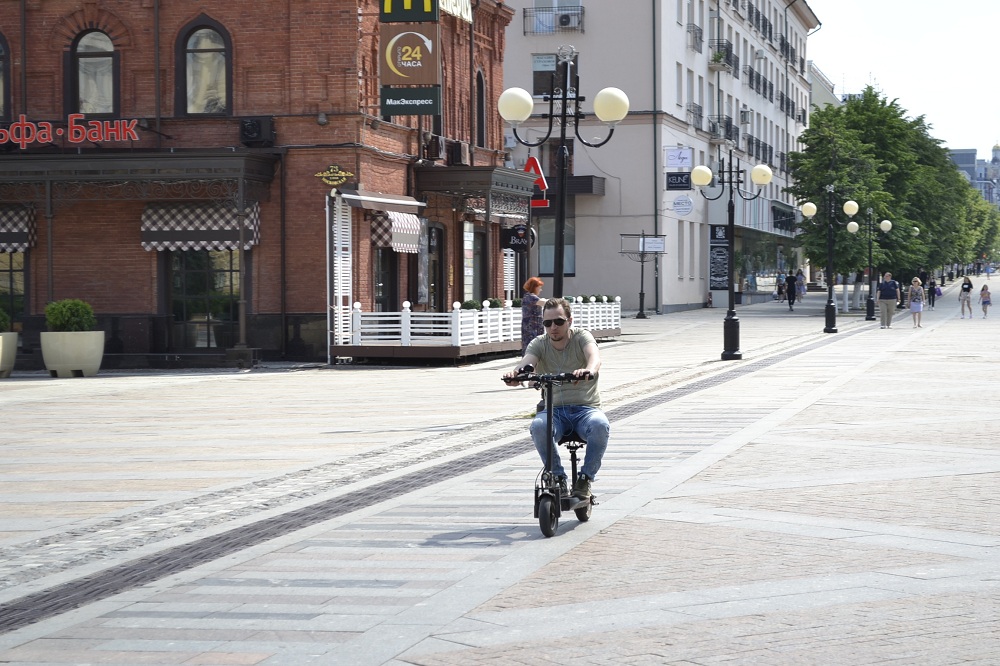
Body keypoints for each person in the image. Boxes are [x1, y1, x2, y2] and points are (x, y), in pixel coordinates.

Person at [503, 297, 608, 500]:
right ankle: (557, 476)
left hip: (585, 409)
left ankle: (585, 479)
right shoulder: (539, 344)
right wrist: (516, 375)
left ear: (569, 320)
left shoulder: (581, 337)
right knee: (538, 426)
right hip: (554, 411)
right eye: (547, 323)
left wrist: (588, 370)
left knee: (599, 425)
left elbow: (594, 357)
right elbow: (527, 363)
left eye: (559, 321)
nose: (553, 327)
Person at [520, 277, 545, 354]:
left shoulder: (526, 297)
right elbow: (544, 303)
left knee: (528, 345)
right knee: (533, 346)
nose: (540, 290)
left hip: (528, 325)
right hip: (533, 326)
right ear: (535, 287)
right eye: (539, 288)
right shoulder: (532, 297)